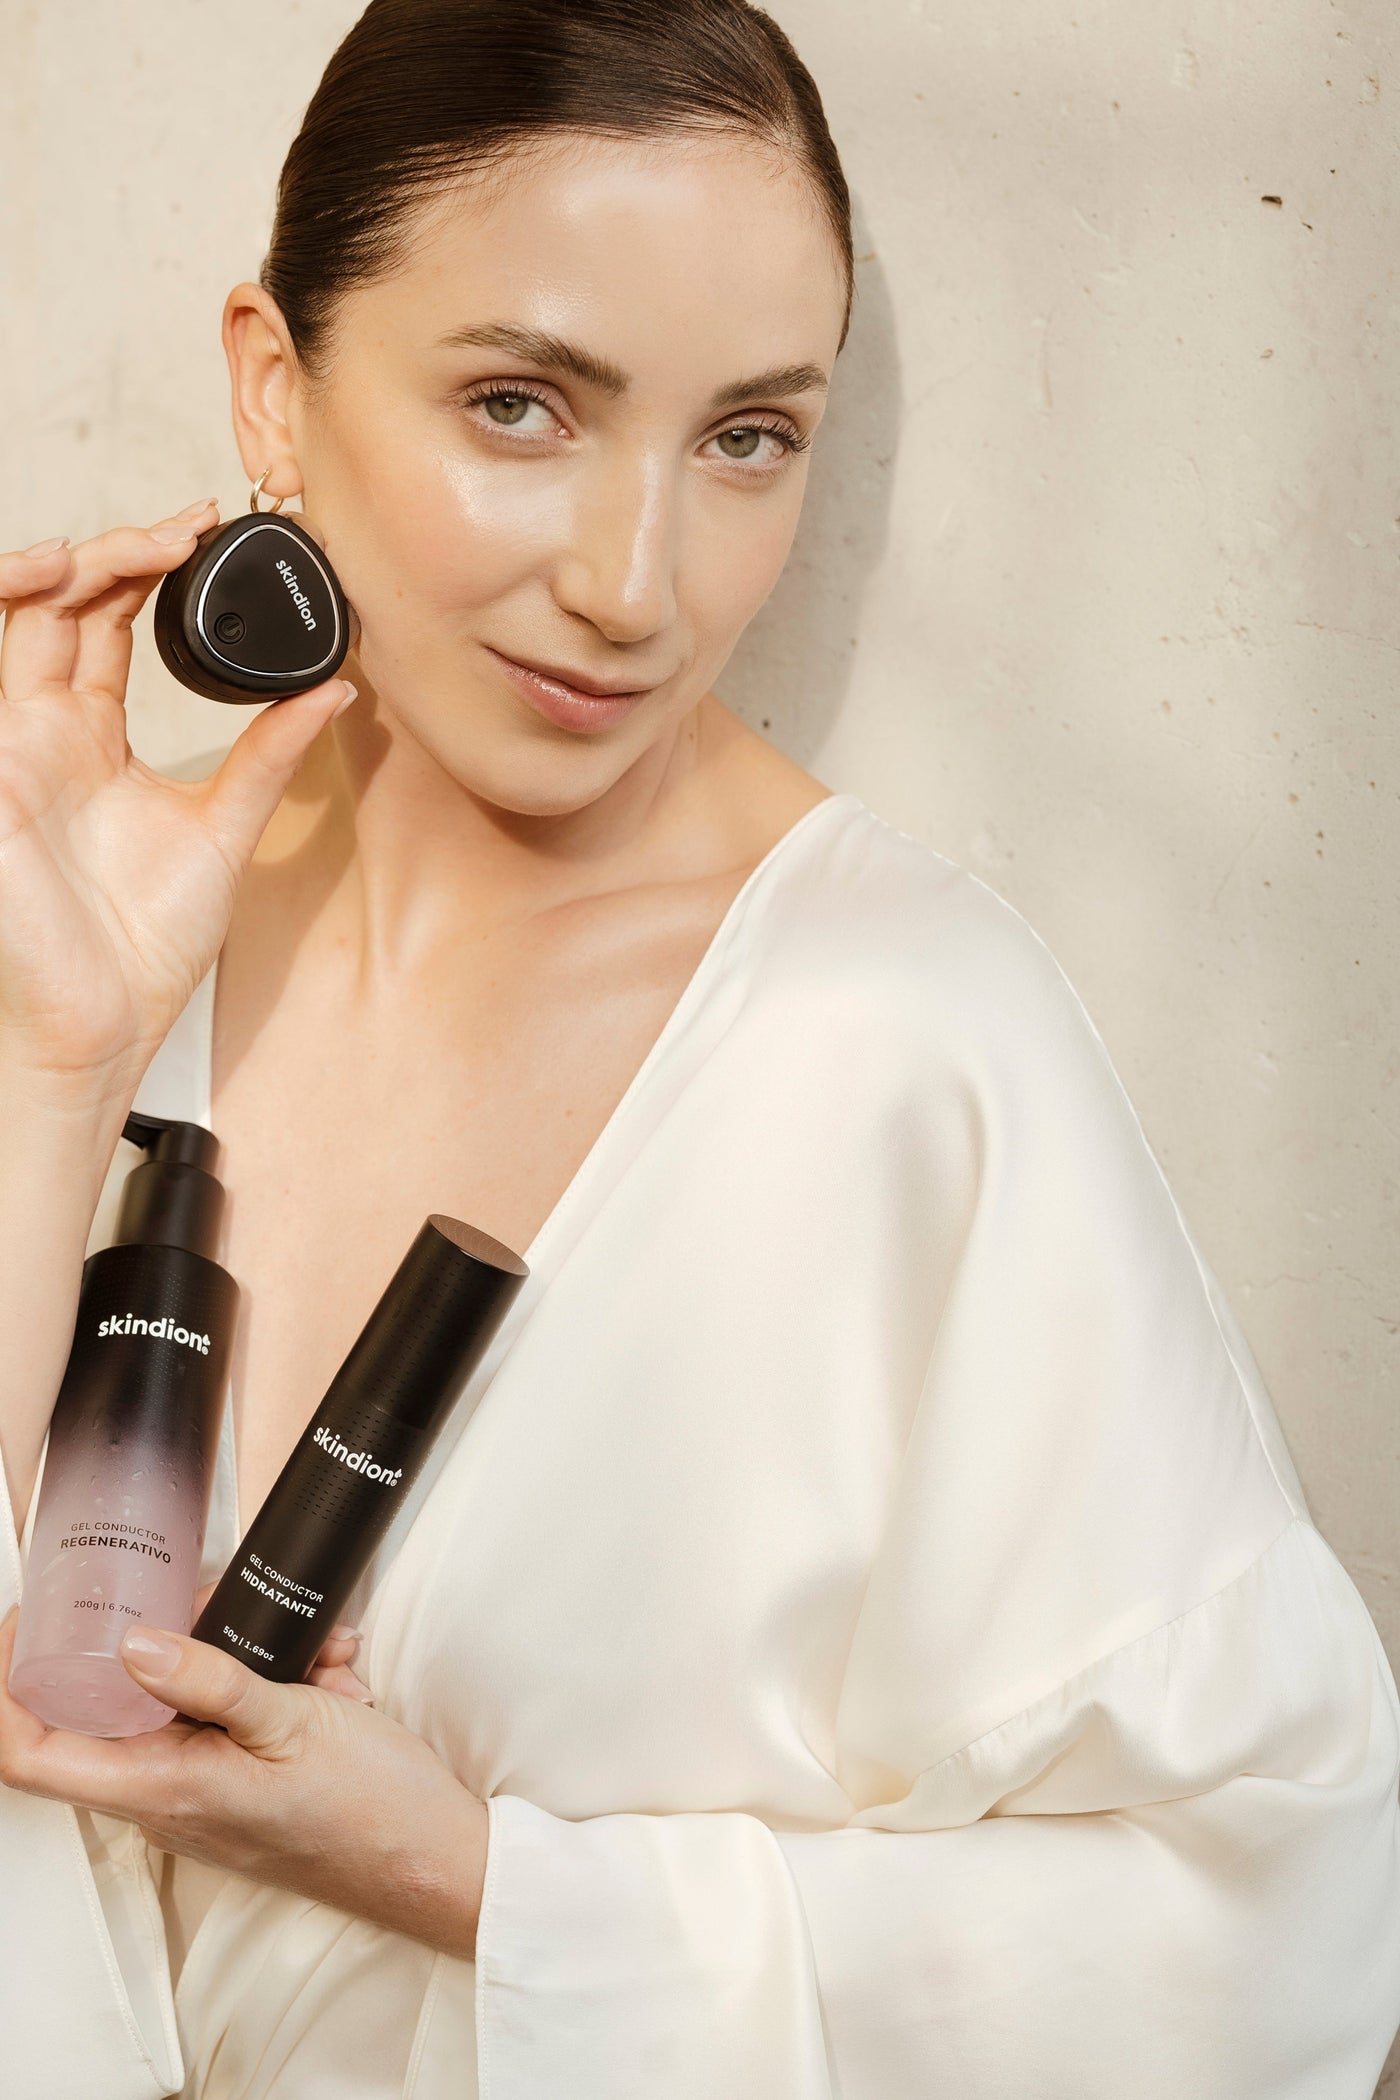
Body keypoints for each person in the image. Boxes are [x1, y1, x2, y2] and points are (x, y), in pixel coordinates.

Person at [1, 3, 1397, 2095]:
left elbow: (1276, 1936)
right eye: (521, 406)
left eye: (748, 438)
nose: (634, 585)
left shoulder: (900, 1044)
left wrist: (487, 1885)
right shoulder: (84, 927)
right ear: (274, 385)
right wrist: (51, 1075)